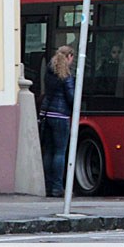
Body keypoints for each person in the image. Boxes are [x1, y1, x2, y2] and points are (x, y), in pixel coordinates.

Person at [40, 45, 76, 197]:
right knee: (60, 152)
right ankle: (57, 187)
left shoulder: (49, 72)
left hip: (46, 113)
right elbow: (72, 97)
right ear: (69, 57)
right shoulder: (65, 75)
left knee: (49, 151)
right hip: (60, 116)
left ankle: (48, 186)